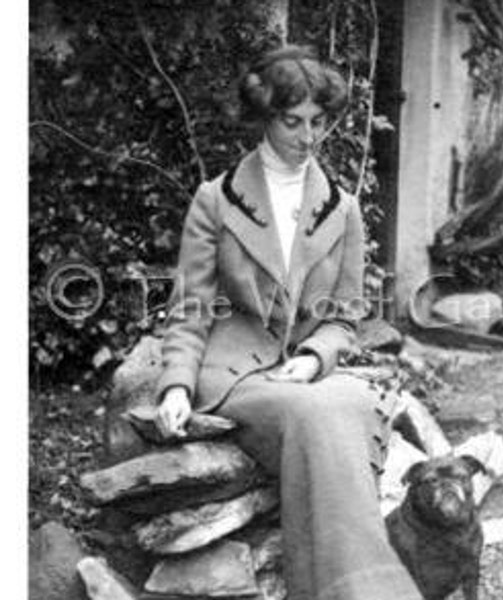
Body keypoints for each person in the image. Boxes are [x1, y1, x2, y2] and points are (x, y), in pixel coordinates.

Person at [154, 45, 422, 600]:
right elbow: (190, 307)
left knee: (345, 401)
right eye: (291, 121)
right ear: (263, 118)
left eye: (318, 122)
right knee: (319, 409)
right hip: (236, 374)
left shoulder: (342, 208)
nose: (307, 137)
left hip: (304, 371)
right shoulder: (215, 200)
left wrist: (313, 357)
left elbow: (343, 317)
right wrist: (177, 383)